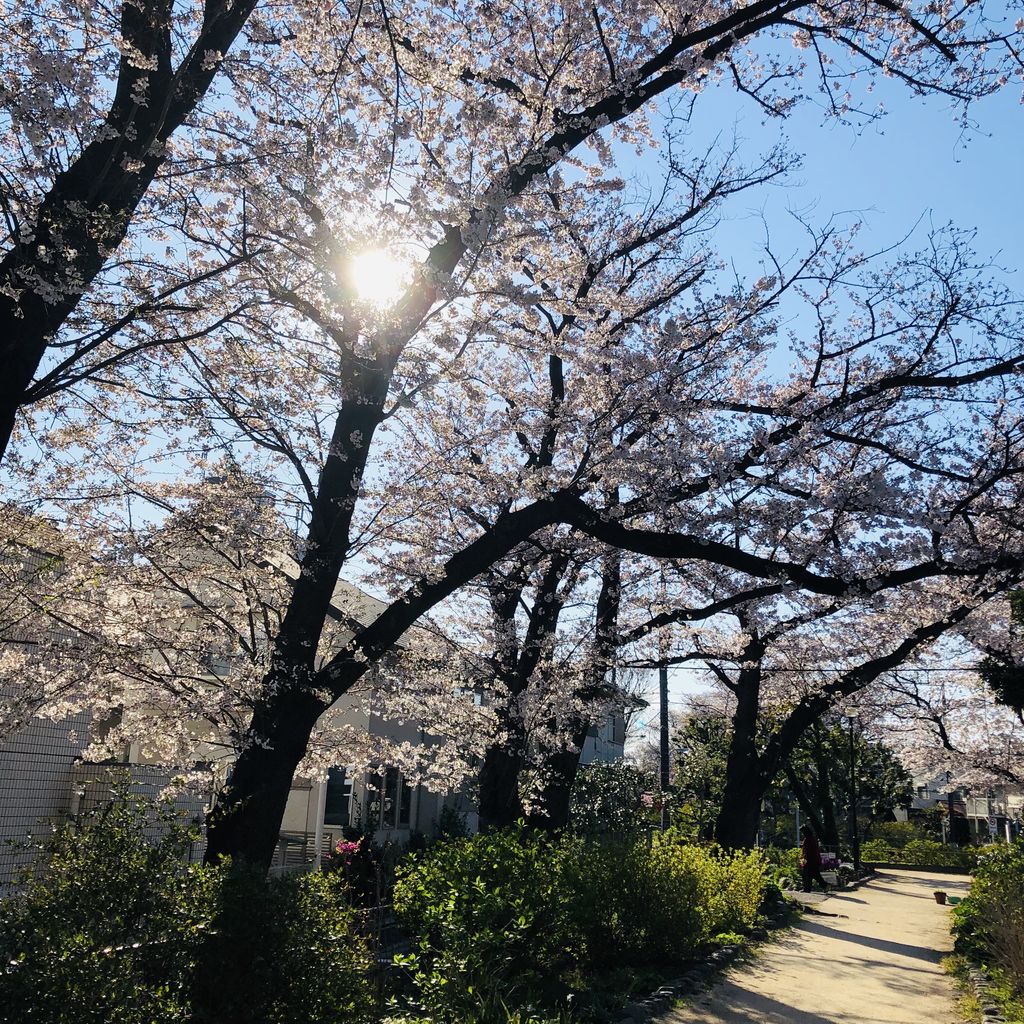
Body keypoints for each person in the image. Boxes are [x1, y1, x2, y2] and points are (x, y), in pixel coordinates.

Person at [799, 824, 829, 893]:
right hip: (815, 860)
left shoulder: (807, 840)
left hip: (810, 860)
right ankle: (824, 886)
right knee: (815, 875)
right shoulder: (813, 838)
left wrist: (804, 859)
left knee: (807, 874)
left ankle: (807, 889)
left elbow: (807, 851)